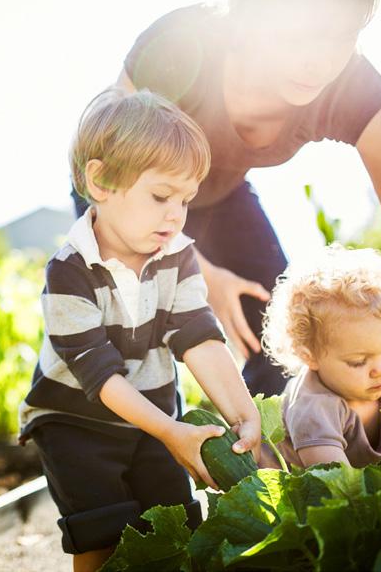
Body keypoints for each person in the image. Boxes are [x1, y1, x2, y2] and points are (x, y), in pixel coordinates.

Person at [72, 0, 381, 398]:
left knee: (281, 333)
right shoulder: (181, 46)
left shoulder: (357, 91)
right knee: (130, 336)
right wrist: (197, 271)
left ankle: (274, 450)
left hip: (221, 198)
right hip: (119, 196)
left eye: (343, 36)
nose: (319, 62)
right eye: (297, 34)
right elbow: (109, 176)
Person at [19, 88, 261, 572]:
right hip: (76, 422)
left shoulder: (178, 257)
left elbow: (198, 336)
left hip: (152, 413)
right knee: (101, 534)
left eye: (186, 200)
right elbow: (99, 374)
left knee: (173, 526)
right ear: (102, 180)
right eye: (160, 196)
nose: (176, 214)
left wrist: (243, 411)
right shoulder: (67, 271)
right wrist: (171, 432)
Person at [261, 245, 381, 468]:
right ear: (310, 357)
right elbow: (335, 484)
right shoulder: (313, 406)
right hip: (315, 491)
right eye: (358, 362)